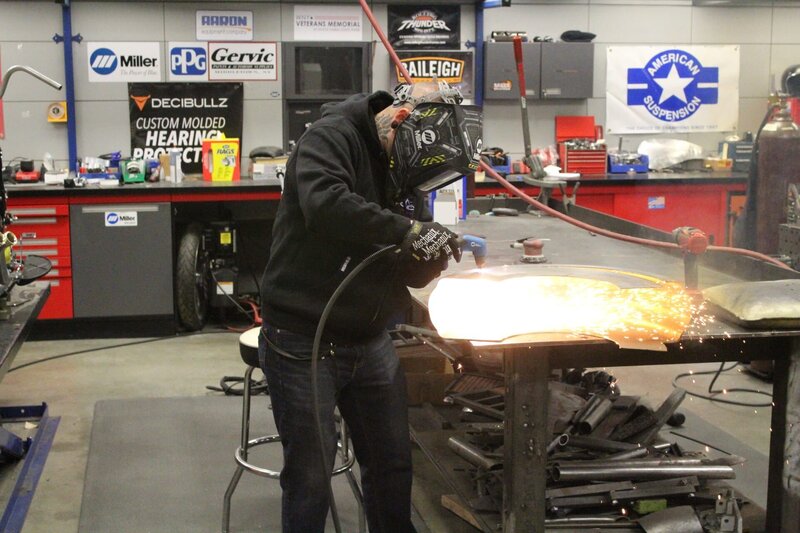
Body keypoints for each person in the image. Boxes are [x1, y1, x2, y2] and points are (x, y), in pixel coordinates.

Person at [258, 81, 481, 533]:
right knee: (311, 478)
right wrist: (408, 232)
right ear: (399, 120)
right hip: (304, 338)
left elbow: (402, 259)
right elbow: (326, 204)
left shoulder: (405, 165)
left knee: (393, 466)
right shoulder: (332, 136)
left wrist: (432, 254)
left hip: (369, 338)